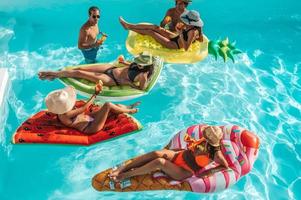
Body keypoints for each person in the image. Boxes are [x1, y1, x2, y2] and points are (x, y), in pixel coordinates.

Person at [109, 126, 229, 182]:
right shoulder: (206, 140)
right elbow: (194, 148)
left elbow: (225, 166)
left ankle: (126, 175)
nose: (206, 136)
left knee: (159, 162)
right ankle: (123, 168)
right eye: (207, 134)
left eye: (208, 136)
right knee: (156, 153)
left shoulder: (216, 154)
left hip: (186, 170)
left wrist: (208, 172)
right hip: (180, 156)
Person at [45, 85, 140, 135]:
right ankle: (129, 111)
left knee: (117, 106)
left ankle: (128, 107)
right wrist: (95, 94)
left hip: (89, 118)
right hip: (90, 127)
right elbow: (84, 108)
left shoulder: (59, 112)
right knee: (108, 105)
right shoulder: (66, 114)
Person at [38, 53, 155, 90]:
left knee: (80, 74)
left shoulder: (143, 75)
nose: (138, 64)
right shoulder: (137, 64)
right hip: (111, 68)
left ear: (146, 66)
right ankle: (54, 75)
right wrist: (124, 62)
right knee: (80, 68)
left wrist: (129, 83)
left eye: (141, 63)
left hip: (113, 80)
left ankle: (52, 73)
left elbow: (142, 89)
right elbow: (131, 65)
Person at [119, 10, 204, 51]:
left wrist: (181, 33)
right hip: (176, 37)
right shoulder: (190, 27)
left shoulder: (193, 32)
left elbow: (186, 48)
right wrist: (178, 30)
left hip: (175, 45)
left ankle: (128, 28)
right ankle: (129, 25)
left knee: (151, 32)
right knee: (155, 27)